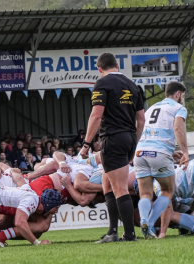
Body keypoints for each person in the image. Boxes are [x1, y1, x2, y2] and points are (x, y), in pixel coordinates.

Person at [80, 52, 145, 242]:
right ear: (117, 65)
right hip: (129, 138)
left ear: (99, 69)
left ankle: (130, 235)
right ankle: (112, 232)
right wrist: (134, 143)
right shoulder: (133, 85)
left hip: (113, 138)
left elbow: (96, 116)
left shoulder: (102, 83)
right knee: (106, 184)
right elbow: (140, 120)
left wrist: (85, 144)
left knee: (119, 188)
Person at [134, 81, 189, 239]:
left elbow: (144, 129)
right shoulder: (178, 108)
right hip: (159, 152)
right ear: (177, 94)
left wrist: (169, 152)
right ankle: (150, 224)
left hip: (141, 151)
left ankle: (143, 219)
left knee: (145, 193)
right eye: (182, 96)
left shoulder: (152, 108)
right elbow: (178, 128)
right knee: (167, 191)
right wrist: (185, 152)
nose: (182, 99)